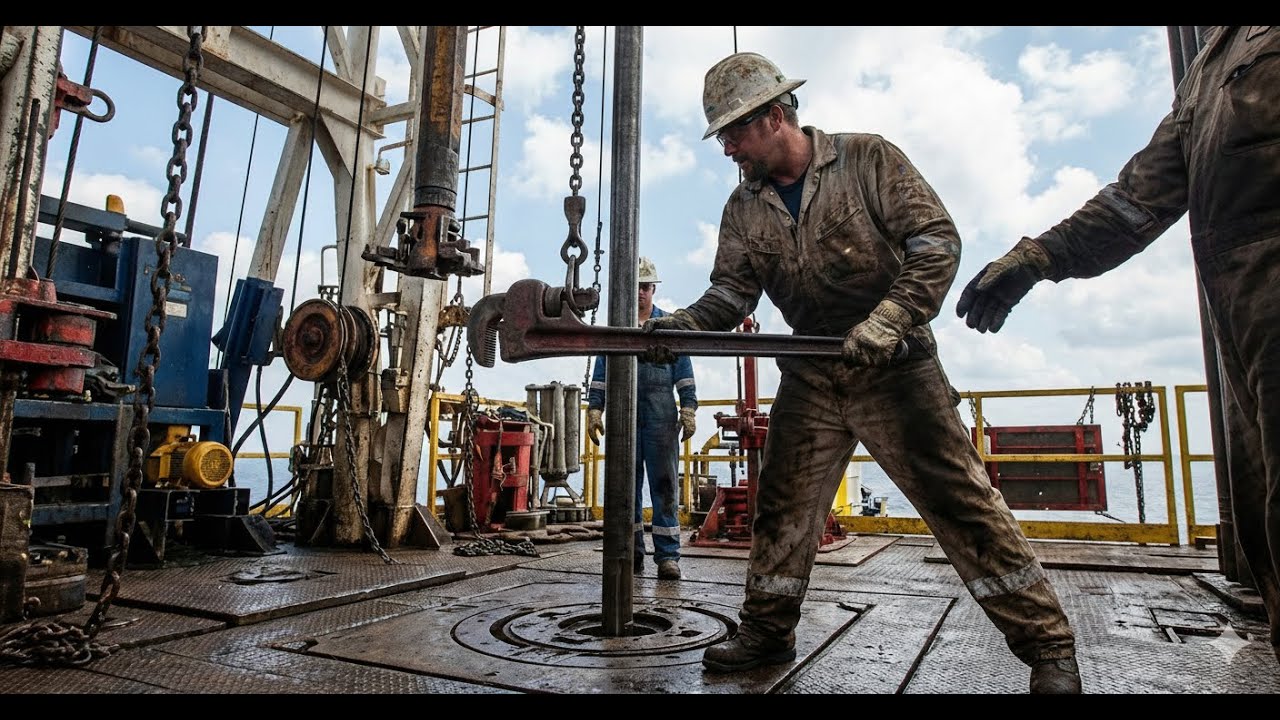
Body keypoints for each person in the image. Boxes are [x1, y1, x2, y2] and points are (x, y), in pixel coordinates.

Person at [644, 51, 1082, 693]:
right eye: (723, 136)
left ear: (775, 115)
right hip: (813, 372)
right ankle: (766, 632)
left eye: (735, 131)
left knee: (960, 503)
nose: (728, 147)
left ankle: (1049, 649)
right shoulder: (744, 208)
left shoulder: (868, 160)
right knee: (783, 508)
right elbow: (732, 295)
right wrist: (681, 326)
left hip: (898, 367)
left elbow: (936, 241)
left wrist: (890, 318)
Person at [955, 25, 1280, 667]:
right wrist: (1039, 255)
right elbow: (1139, 198)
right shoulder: (1211, 64)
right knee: (1269, 512)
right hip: (1244, 323)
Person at [586, 256, 699, 581]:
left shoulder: (667, 325)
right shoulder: (618, 325)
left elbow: (684, 370)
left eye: (645, 287)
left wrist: (688, 407)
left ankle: (667, 558)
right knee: (625, 487)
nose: (640, 293)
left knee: (664, 485)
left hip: (661, 415)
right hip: (624, 416)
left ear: (653, 289)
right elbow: (602, 369)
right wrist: (595, 408)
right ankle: (631, 551)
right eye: (635, 287)